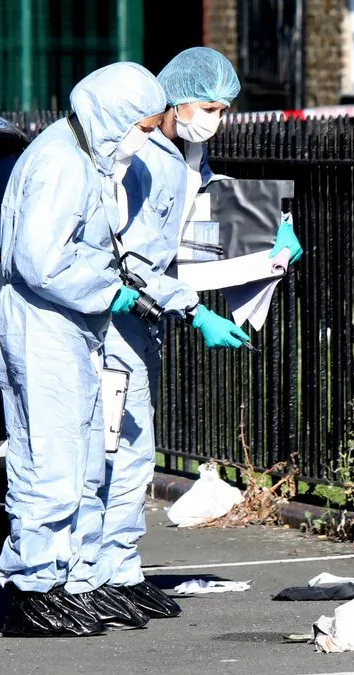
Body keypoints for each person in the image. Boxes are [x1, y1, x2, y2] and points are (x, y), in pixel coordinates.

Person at [0, 62, 200, 637]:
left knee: (80, 461)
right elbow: (43, 261)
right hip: (43, 323)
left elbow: (91, 248)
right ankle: (34, 588)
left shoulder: (86, 158)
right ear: (115, 116)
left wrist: (122, 290)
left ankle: (64, 579)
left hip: (68, 322)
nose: (145, 137)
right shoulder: (62, 162)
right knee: (50, 462)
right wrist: (112, 292)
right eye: (143, 126)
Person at [94, 48, 259, 618]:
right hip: (116, 322)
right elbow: (134, 259)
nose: (215, 119)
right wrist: (193, 311)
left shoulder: (187, 152)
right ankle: (100, 575)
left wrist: (266, 237)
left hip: (143, 320)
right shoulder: (142, 157)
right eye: (208, 107)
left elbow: (197, 214)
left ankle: (117, 569)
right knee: (114, 450)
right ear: (175, 100)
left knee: (133, 450)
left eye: (222, 110)